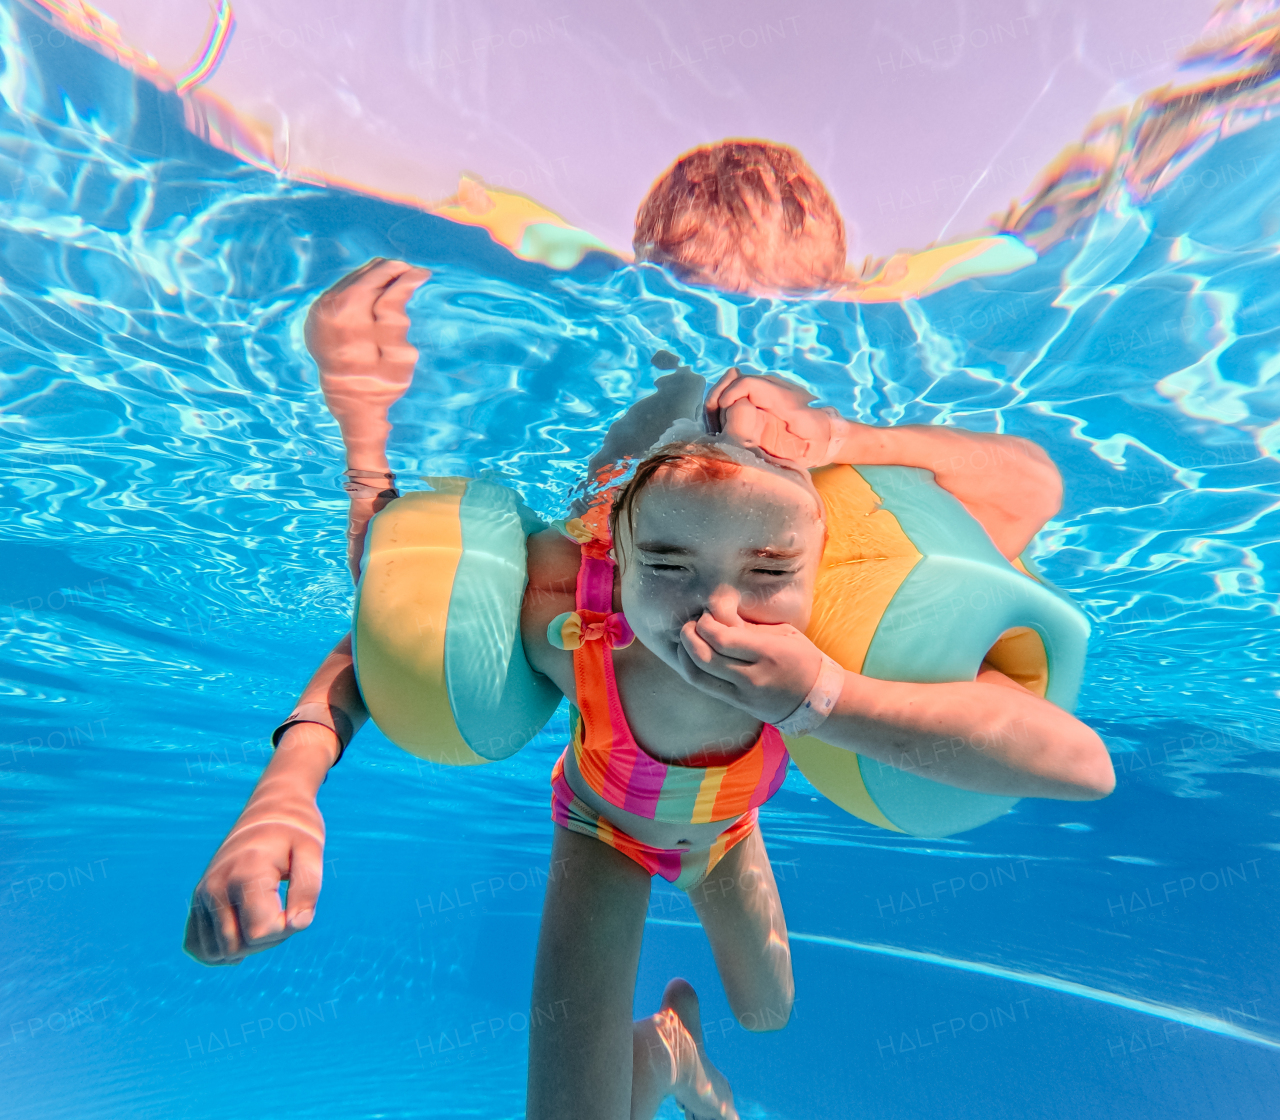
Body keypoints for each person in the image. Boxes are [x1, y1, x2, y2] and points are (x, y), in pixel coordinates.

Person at [184, 140, 1115, 1120]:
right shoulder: (585, 589)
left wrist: (847, 465)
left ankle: (678, 1046)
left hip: (725, 834)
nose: (714, 606)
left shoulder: (823, 556)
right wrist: (284, 792)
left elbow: (1035, 513)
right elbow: (404, 614)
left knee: (766, 1011)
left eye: (771, 330)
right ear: (621, 548)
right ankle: (661, 1060)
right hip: (600, 827)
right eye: (665, 564)